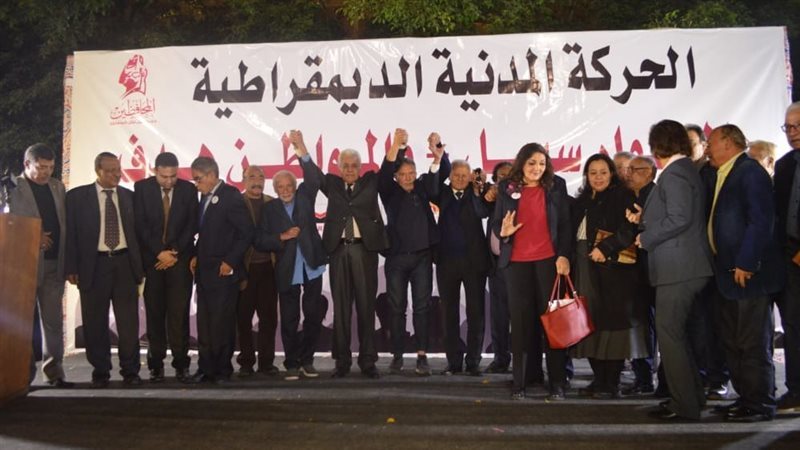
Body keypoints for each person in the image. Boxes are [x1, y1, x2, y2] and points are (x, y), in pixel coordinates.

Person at [629, 119, 713, 421]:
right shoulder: (684, 170)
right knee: (677, 335)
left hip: (679, 268)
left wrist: (646, 237)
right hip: (682, 266)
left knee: (670, 336)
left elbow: (679, 218)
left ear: (658, 145)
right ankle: (691, 398)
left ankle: (684, 405)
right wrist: (646, 219)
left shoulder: (676, 173)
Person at [701, 124, 781, 422]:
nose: (707, 148)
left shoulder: (750, 172)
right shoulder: (724, 173)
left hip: (748, 275)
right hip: (726, 274)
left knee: (751, 342)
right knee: (733, 341)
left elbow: (761, 222)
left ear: (728, 143)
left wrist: (747, 262)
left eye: (711, 142)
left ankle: (760, 403)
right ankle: (745, 398)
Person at [298, 131, 388, 379]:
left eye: (354, 165)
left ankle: (368, 361)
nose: (349, 169)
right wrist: (301, 147)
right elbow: (314, 173)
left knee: (366, 307)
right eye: (345, 165)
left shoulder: (370, 182)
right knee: (341, 308)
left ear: (360, 167)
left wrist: (398, 146)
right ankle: (342, 361)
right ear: (339, 168)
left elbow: (389, 170)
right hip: (338, 251)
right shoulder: (333, 184)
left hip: (364, 251)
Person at [492, 143, 571, 401]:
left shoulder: (556, 186)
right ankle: (520, 382)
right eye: (531, 163)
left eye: (542, 163)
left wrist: (563, 255)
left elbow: (565, 224)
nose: (537, 168)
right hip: (516, 263)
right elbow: (497, 222)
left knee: (553, 323)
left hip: (549, 261)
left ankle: (557, 382)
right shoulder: (507, 187)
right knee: (521, 324)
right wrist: (503, 232)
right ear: (521, 164)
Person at [571, 153, 648, 399]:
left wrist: (605, 248)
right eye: (593, 173)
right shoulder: (581, 201)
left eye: (603, 172)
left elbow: (630, 229)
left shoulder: (623, 196)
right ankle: (599, 380)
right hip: (584, 270)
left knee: (613, 328)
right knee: (589, 324)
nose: (598, 177)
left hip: (614, 274)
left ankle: (611, 383)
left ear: (612, 174)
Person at [65, 152, 144, 388]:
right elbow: (71, 234)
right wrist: (71, 266)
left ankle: (130, 371)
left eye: (118, 170)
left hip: (124, 264)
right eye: (110, 171)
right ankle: (100, 371)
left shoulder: (130, 197)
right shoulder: (77, 197)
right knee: (94, 322)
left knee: (128, 323)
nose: (116, 175)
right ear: (97, 171)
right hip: (94, 266)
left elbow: (139, 234)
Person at [255, 143, 327, 380]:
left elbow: (313, 177)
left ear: (295, 187)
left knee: (313, 316)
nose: (285, 190)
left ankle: (307, 361)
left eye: (289, 186)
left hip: (312, 266)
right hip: (287, 271)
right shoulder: (269, 209)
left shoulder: (305, 197)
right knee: (289, 319)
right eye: (280, 187)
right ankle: (292, 362)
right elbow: (260, 240)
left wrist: (301, 149)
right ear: (275, 189)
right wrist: (281, 237)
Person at [378, 129, 444, 376]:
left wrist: (437, 157)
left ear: (416, 174)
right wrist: (397, 145)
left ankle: (422, 355)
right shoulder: (389, 191)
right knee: (396, 308)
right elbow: (385, 171)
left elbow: (437, 178)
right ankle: (397, 355)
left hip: (422, 258)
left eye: (411, 174)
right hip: (396, 258)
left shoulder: (423, 188)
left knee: (422, 307)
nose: (407, 178)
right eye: (402, 175)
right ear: (396, 177)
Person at [8, 143, 73, 387]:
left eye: (50, 167)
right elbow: (7, 225)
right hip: (23, 266)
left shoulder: (58, 186)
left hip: (55, 264)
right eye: (41, 167)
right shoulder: (11, 188)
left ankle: (54, 373)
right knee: (23, 323)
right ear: (27, 164)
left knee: (53, 322)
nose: (46, 172)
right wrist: (34, 237)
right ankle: (22, 375)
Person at [188, 157, 253, 384]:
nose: (196, 184)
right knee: (205, 323)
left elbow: (246, 233)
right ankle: (206, 368)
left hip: (223, 272)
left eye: (198, 179)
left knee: (222, 324)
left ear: (211, 175)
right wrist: (196, 254)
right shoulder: (204, 198)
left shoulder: (231, 196)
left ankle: (223, 369)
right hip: (204, 272)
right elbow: (206, 233)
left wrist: (231, 261)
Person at [133, 152, 197, 383]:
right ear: (155, 171)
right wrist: (159, 252)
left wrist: (174, 252)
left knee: (179, 316)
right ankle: (156, 365)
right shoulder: (142, 188)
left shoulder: (188, 190)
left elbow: (192, 225)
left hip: (179, 261)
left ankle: (181, 364)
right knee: (155, 314)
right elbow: (140, 225)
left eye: (173, 176)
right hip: (153, 262)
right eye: (164, 177)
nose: (169, 181)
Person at [434, 156, 490, 376]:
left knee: (476, 312)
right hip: (446, 262)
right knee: (449, 313)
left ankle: (473, 361)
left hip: (474, 262)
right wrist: (439, 158)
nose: (459, 179)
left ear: (470, 177)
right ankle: (454, 362)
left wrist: (477, 189)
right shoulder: (441, 193)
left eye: (464, 176)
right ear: (449, 176)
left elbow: (482, 212)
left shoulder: (478, 192)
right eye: (456, 175)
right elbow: (430, 184)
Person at [236, 165, 280, 377]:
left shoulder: (272, 203)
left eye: (261, 177)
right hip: (245, 269)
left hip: (269, 268)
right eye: (252, 176)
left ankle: (266, 363)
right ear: (243, 180)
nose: (257, 180)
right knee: (243, 318)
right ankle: (246, 363)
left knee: (268, 318)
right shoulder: (236, 203)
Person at [772, 101, 800, 414]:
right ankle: (796, 390)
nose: (793, 133)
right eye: (788, 127)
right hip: (790, 257)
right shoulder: (784, 165)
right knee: (793, 326)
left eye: (798, 126)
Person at [624, 155, 658, 394]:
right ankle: (642, 376)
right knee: (638, 324)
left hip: (651, 270)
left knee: (647, 325)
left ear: (649, 172)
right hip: (632, 271)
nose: (628, 174)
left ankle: (647, 378)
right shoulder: (629, 196)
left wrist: (643, 220)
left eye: (634, 169)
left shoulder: (655, 195)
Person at [484, 161, 513, 374]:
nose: (505, 179)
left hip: (517, 266)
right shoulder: (491, 198)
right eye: (501, 176)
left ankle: (523, 361)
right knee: (499, 316)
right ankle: (500, 358)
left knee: (520, 317)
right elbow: (479, 210)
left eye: (509, 176)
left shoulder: (520, 199)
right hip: (495, 267)